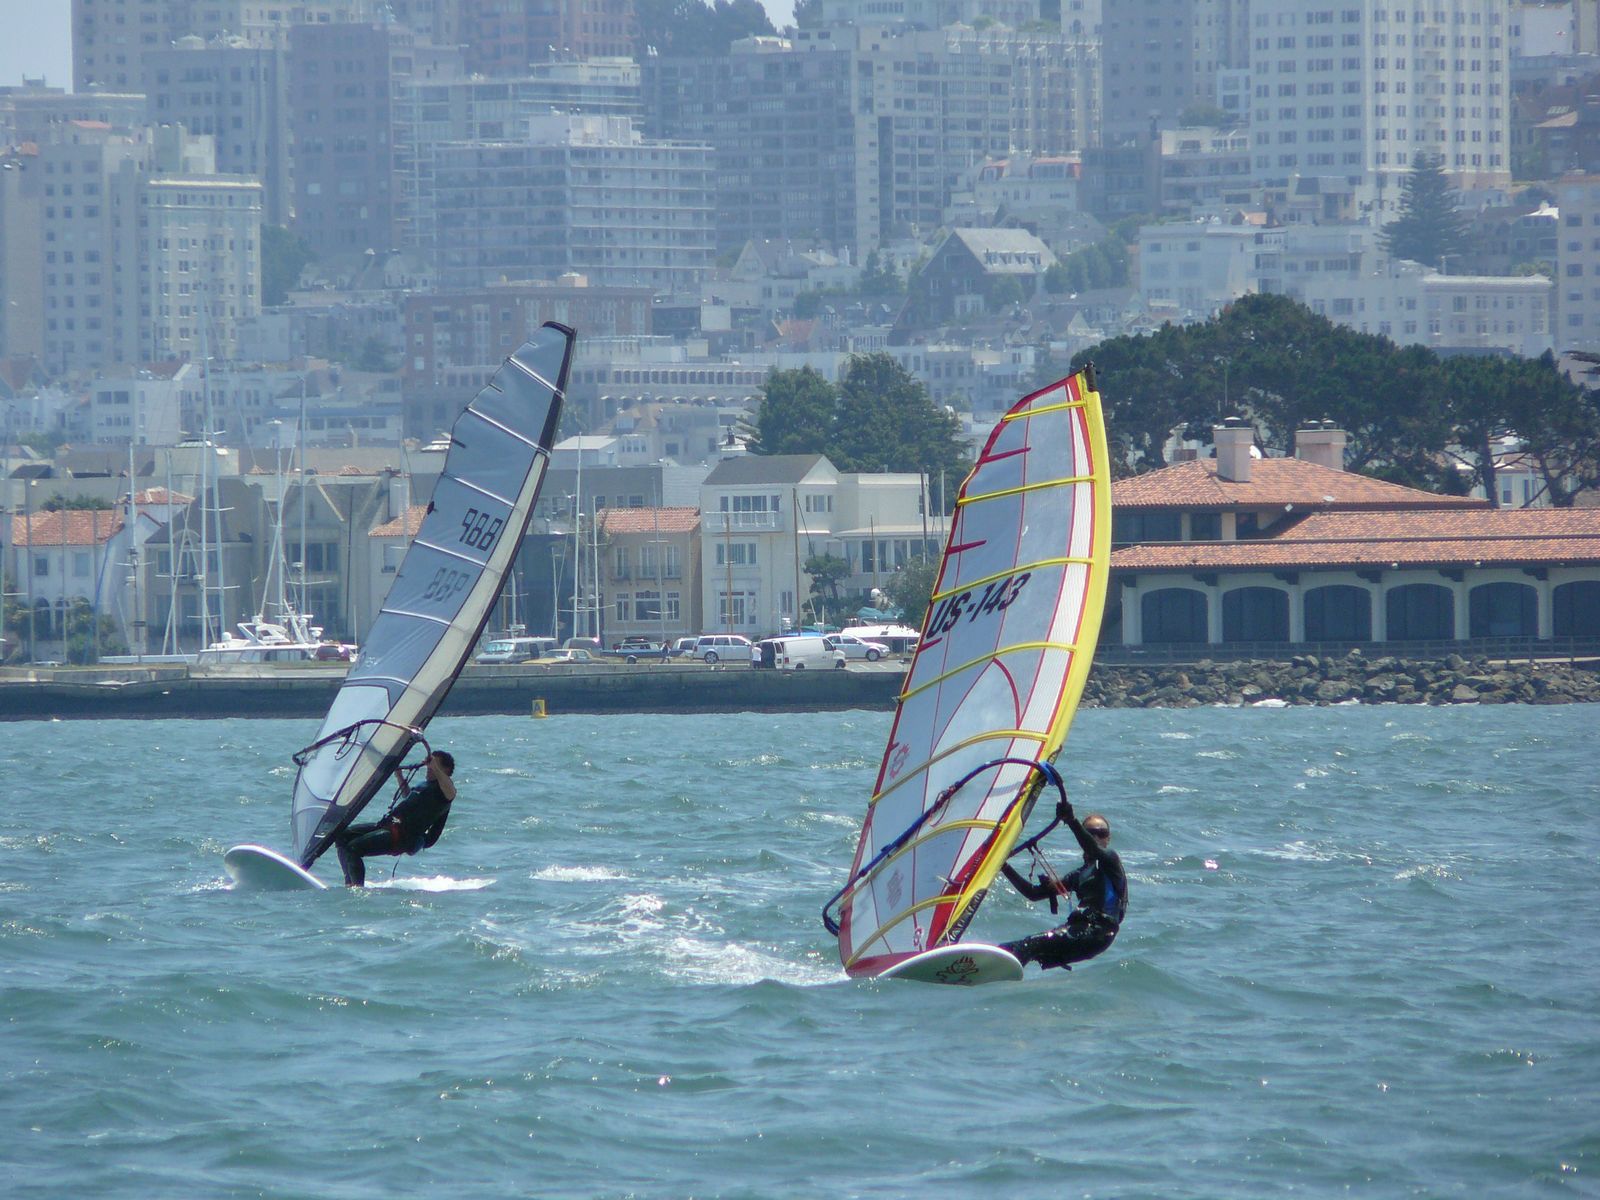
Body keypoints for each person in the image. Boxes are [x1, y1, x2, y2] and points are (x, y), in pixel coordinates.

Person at [998, 798, 1127, 970]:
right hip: (1079, 932)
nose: (1096, 837)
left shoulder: (1111, 861)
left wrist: (1071, 820)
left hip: (1098, 933)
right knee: (1014, 948)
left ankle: (997, 970)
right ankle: (984, 968)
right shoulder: (1079, 875)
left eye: (1101, 833)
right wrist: (1003, 866)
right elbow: (1033, 894)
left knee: (1030, 945)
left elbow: (1093, 849)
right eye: (1090, 833)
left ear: (1108, 838)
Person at [335, 750, 457, 887]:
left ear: (445, 770)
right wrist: (399, 776)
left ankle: (357, 889)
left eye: (434, 764)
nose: (429, 767)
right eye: (429, 764)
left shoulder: (445, 792)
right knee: (342, 836)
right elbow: (408, 797)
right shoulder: (425, 786)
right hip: (391, 827)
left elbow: (451, 792)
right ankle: (349, 883)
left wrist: (434, 766)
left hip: (404, 837)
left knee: (354, 848)